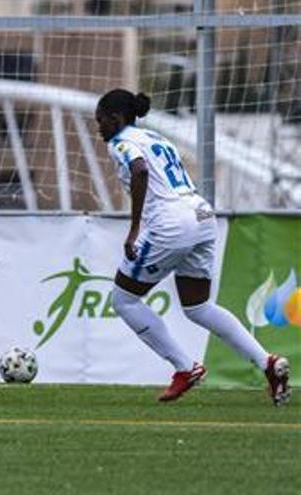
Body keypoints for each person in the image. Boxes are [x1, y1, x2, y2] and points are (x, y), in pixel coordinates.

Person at [96, 88, 291, 405]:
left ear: (116, 119)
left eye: (101, 120)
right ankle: (267, 363)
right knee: (198, 306)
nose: (98, 128)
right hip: (201, 214)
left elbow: (140, 170)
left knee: (124, 300)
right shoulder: (156, 138)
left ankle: (184, 367)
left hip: (171, 223)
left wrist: (134, 229)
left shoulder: (122, 141)